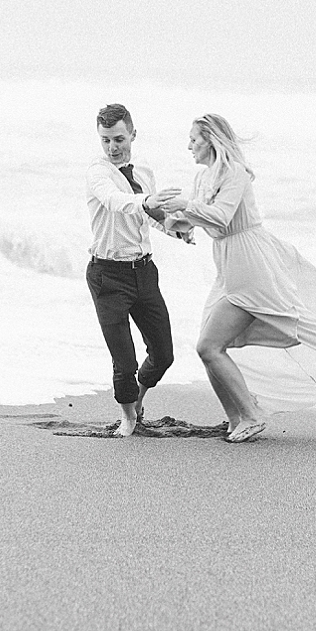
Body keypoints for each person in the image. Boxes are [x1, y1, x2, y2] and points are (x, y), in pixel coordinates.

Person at [160, 114, 316, 443]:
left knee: (211, 345)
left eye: (194, 139)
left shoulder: (236, 173)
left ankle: (253, 414)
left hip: (249, 264)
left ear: (212, 141)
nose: (189, 145)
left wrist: (186, 207)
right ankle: (237, 418)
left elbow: (220, 215)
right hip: (228, 266)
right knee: (212, 344)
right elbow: (196, 220)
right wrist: (167, 219)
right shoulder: (202, 178)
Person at [85, 103, 187, 437]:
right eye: (105, 140)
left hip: (144, 272)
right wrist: (146, 202)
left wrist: (175, 229)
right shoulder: (98, 173)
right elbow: (116, 201)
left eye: (118, 139)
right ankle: (128, 418)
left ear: (132, 135)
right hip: (107, 276)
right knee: (124, 361)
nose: (112, 147)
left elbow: (147, 215)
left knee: (163, 354)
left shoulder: (143, 171)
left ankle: (139, 402)